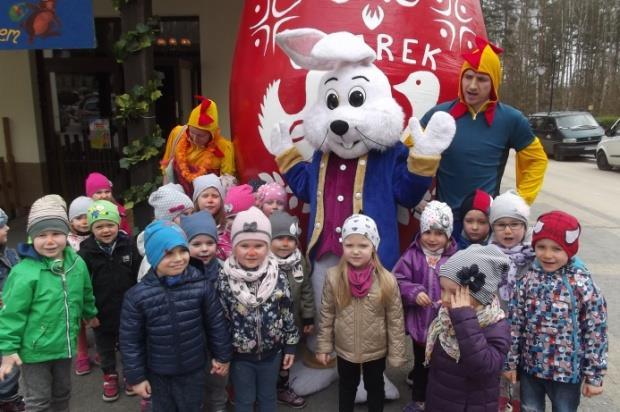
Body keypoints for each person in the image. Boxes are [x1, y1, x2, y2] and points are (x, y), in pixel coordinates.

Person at [419, 36, 547, 238]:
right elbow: (406, 151)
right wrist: (413, 196)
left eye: (481, 79)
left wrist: (520, 200)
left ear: (494, 82)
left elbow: (537, 160)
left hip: (485, 224)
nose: (472, 85)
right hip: (444, 224)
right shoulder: (440, 116)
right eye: (468, 76)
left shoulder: (511, 119)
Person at [120, 220, 232, 412]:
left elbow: (216, 324)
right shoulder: (137, 296)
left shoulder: (201, 285)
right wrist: (137, 378)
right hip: (158, 373)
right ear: (154, 257)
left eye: (182, 250)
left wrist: (222, 356)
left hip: (193, 369)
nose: (179, 258)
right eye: (169, 253)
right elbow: (130, 341)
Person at [0, 195, 98, 412]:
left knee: (62, 394)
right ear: (31, 238)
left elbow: (85, 291)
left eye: (56, 233)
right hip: (34, 351)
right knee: (38, 401)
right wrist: (7, 350)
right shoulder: (24, 273)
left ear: (67, 233)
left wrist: (90, 312)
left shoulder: (76, 263)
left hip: (65, 344)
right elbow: (11, 314)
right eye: (42, 235)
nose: (50, 241)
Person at [504, 211, 608, 412]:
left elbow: (596, 332)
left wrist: (594, 376)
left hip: (567, 374)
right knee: (529, 408)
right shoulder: (526, 281)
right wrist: (510, 363)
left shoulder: (582, 285)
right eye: (541, 247)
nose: (547, 255)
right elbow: (515, 325)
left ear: (570, 251)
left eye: (557, 249)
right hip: (530, 369)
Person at [315, 214, 407, 412]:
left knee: (375, 388)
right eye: (349, 245)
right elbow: (327, 315)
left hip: (376, 350)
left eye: (363, 246)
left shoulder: (386, 280)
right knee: (347, 388)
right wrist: (323, 346)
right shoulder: (334, 277)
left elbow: (395, 320)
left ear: (373, 246)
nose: (356, 251)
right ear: (343, 247)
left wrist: (397, 354)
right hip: (345, 349)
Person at [217, 207, 300, 411]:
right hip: (240, 356)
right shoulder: (226, 278)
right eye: (244, 245)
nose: (252, 252)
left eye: (259, 245)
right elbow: (221, 319)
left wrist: (290, 346)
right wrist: (222, 354)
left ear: (268, 246)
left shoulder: (277, 275)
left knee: (268, 398)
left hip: (272, 354)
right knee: (244, 400)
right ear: (234, 246)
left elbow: (287, 311)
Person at [424, 244, 511, 411]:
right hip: (439, 400)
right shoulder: (445, 316)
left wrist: (464, 319)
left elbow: (484, 368)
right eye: (442, 289)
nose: (445, 298)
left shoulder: (496, 326)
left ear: (480, 294)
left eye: (455, 293)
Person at [392, 201, 458, 412]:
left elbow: (464, 287)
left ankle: (439, 399)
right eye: (427, 232)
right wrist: (414, 292)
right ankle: (419, 400)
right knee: (421, 365)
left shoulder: (456, 259)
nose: (432, 238)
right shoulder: (412, 255)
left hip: (446, 327)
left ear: (448, 235)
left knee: (443, 367)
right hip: (421, 325)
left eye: (439, 233)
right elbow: (398, 279)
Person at [78, 200, 140, 402]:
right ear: (91, 228)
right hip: (101, 313)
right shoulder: (85, 253)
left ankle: (131, 375)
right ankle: (109, 375)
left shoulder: (129, 246)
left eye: (110, 225)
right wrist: (88, 313)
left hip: (129, 310)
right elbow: (81, 286)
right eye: (99, 226)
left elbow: (139, 276)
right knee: (104, 348)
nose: (105, 230)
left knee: (130, 346)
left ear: (118, 225)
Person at [179, 210, 228, 412]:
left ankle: (219, 407)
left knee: (218, 382)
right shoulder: (182, 273)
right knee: (194, 385)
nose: (204, 249)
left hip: (218, 338)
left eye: (210, 243)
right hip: (191, 340)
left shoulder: (225, 270)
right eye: (196, 244)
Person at [269, 211, 314, 408]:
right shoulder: (264, 263)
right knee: (270, 359)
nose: (285, 243)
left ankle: (282, 388)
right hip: (268, 325)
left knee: (287, 359)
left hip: (292, 322)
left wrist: (309, 317)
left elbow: (305, 290)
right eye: (279, 239)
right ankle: (265, 389)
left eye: (290, 239)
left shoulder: (299, 261)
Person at [161, 96, 235, 195]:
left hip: (206, 204)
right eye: (191, 132)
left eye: (201, 135)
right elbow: (166, 168)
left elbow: (227, 185)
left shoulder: (224, 147)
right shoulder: (177, 134)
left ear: (211, 134)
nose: (195, 139)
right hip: (178, 200)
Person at [136, 183, 195, 282]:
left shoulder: (189, 235)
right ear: (168, 219)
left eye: (192, 213)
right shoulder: (153, 257)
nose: (190, 218)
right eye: (185, 214)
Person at [67, 196, 97, 377]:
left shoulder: (100, 234)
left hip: (97, 285)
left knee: (97, 318)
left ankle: (101, 350)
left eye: (87, 216)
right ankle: (82, 353)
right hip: (76, 288)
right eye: (79, 218)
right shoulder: (68, 241)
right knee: (78, 322)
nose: (84, 221)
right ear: (71, 221)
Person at [0, 208, 24, 412]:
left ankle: (10, 397)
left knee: (12, 366)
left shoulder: (10, 254)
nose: (8, 227)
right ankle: (6, 400)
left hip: (11, 321)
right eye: (2, 225)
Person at [216, 184, 255, 261]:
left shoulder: (259, 240)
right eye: (231, 218)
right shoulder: (219, 244)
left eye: (241, 217)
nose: (236, 222)